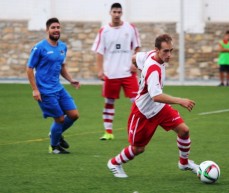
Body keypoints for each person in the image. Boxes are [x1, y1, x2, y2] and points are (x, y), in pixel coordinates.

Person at [107, 34, 197, 178]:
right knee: (138, 149)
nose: (169, 55)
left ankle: (184, 163)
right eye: (165, 51)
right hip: (143, 112)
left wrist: (138, 71)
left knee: (184, 131)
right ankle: (114, 163)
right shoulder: (153, 69)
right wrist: (180, 100)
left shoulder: (149, 54)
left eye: (171, 50)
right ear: (157, 50)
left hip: (159, 109)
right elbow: (156, 96)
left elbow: (134, 58)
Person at [26, 18, 80, 154]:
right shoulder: (39, 47)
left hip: (59, 88)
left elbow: (62, 67)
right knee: (60, 119)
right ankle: (54, 146)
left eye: (58, 27)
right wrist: (35, 90)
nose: (56, 30)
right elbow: (29, 68)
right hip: (45, 91)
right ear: (47, 30)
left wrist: (70, 80)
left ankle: (55, 133)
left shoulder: (62, 47)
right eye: (53, 27)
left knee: (74, 115)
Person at [91, 3, 141, 140]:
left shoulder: (130, 28)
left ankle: (138, 130)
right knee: (109, 102)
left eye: (119, 12)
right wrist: (100, 70)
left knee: (137, 102)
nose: (117, 14)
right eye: (115, 12)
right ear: (110, 13)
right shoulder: (104, 31)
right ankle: (108, 132)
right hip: (111, 73)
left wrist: (135, 63)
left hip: (128, 73)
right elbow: (99, 52)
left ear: (122, 13)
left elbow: (137, 48)